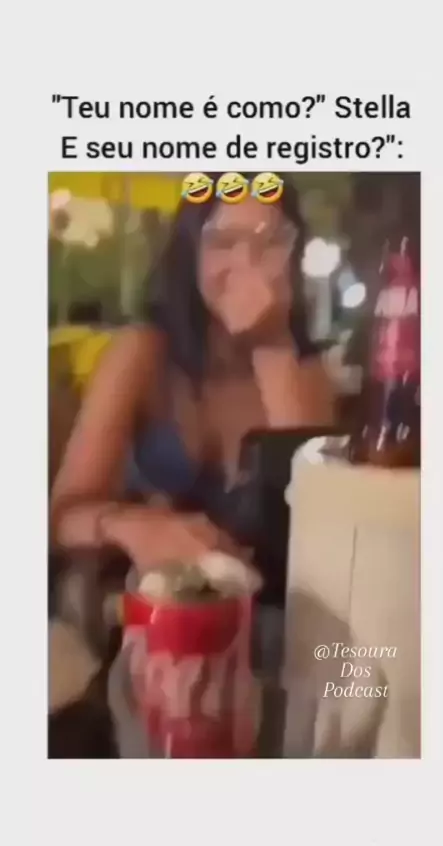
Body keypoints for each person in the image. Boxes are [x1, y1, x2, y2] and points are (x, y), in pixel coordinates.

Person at [51, 173, 334, 584]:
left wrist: (271, 343)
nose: (246, 262)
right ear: (191, 254)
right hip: (146, 601)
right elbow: (61, 518)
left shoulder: (306, 370)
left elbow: (317, 523)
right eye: (223, 242)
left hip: (260, 600)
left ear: (293, 260)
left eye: (271, 243)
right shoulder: (142, 352)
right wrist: (134, 527)